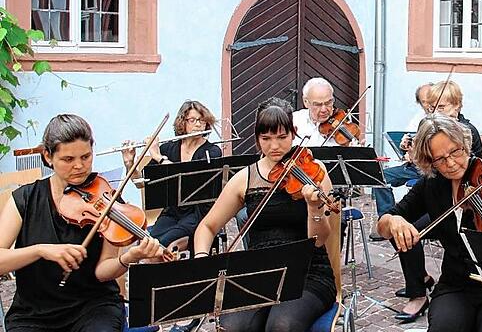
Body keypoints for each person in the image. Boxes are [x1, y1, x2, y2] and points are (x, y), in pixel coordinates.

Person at [0, 114, 165, 331]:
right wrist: (41, 250)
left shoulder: (107, 198)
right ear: (48, 156)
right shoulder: (25, 199)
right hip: (34, 314)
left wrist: (128, 258)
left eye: (86, 157)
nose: (79, 166)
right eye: (68, 159)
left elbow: (103, 270)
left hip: (92, 307)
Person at [377, 114, 482, 332]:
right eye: (439, 159)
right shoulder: (432, 185)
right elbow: (383, 223)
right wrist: (393, 221)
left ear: (465, 144)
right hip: (457, 284)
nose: (450, 163)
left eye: (455, 152)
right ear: (429, 161)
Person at [194, 97, 336, 331]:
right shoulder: (245, 178)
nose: (274, 146)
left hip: (308, 274)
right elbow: (207, 226)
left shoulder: (314, 170)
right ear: (257, 139)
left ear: (294, 133)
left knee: (282, 326)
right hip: (260, 273)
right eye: (266, 139)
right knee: (233, 327)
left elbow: (319, 240)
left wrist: (313, 208)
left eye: (282, 137)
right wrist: (201, 257)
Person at [122, 100, 222, 248]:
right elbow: (141, 183)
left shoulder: (211, 151)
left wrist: (158, 157)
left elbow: (189, 181)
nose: (198, 124)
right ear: (183, 122)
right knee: (149, 244)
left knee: (165, 244)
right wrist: (129, 164)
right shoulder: (169, 148)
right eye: (192, 120)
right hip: (172, 211)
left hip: (198, 213)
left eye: (202, 120)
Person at [371, 83, 433, 238]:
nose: (429, 105)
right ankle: (387, 220)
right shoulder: (417, 120)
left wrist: (416, 155)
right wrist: (404, 148)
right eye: (424, 102)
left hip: (430, 169)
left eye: (431, 99)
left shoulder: (441, 120)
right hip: (412, 167)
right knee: (379, 177)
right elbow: (407, 150)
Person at [293, 77, 362, 147]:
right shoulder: (294, 121)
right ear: (306, 102)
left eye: (328, 103)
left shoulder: (342, 122)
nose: (324, 109)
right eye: (317, 104)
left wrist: (355, 151)